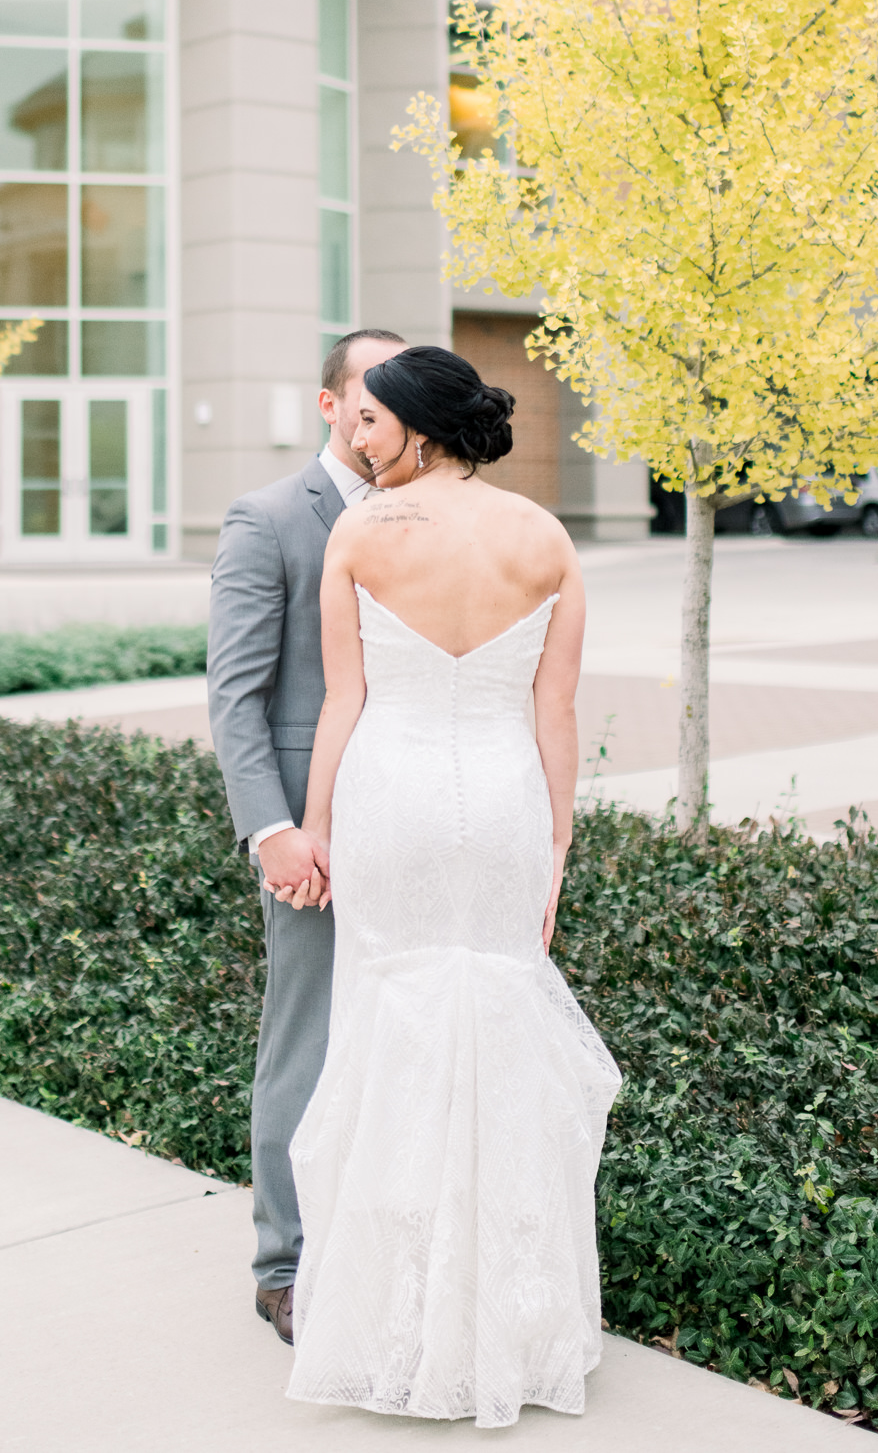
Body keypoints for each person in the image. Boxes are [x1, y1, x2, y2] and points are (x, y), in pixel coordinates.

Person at [277, 345, 621, 1429]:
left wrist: (316, 826)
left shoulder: (361, 532)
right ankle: (511, 1324)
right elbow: (553, 716)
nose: (359, 441)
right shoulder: (545, 537)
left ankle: (395, 1318)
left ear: (420, 428)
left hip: (392, 801)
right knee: (498, 1030)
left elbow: (344, 702)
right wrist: (556, 846)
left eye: (374, 424)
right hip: (505, 806)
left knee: (390, 1029)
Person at [207, 328, 405, 1346]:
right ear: (328, 405)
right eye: (369, 395)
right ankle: (281, 1264)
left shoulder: (426, 517)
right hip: (309, 832)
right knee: (307, 1033)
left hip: (409, 812)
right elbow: (235, 696)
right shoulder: (270, 519)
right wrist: (271, 831)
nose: (385, 413)